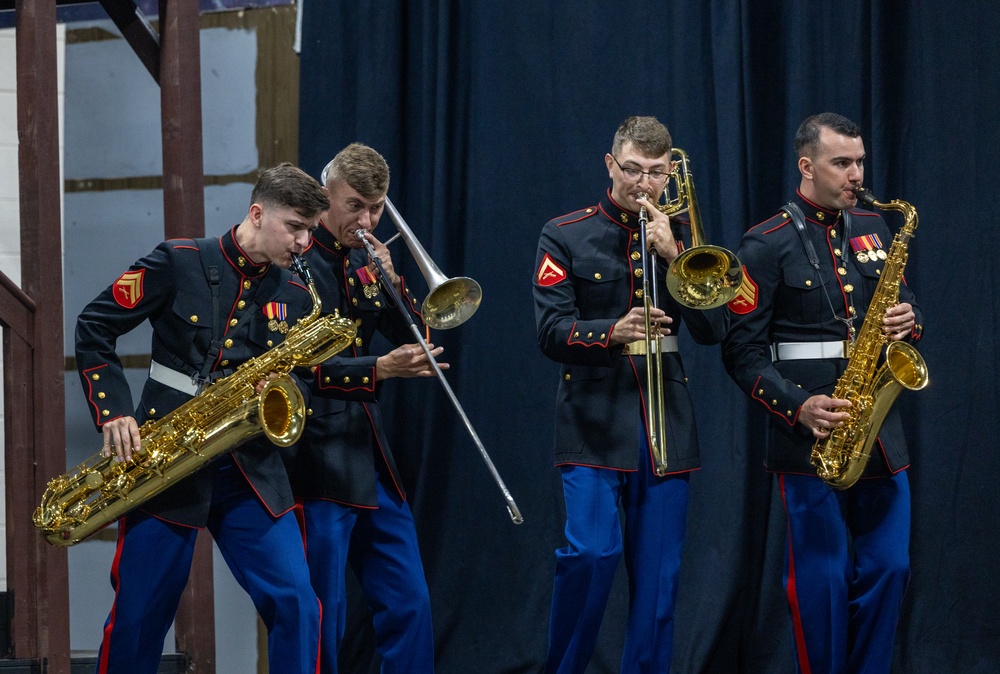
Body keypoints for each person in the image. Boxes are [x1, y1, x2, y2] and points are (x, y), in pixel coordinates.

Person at [75, 163, 329, 674]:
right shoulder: (178, 260)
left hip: (249, 469)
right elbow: (94, 325)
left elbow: (298, 378)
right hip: (167, 461)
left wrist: (277, 390)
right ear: (257, 213)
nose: (304, 242)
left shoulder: (298, 295)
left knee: (299, 604)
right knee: (140, 617)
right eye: (296, 227)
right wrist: (114, 411)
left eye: (311, 232)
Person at [722, 112, 924, 673]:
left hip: (880, 433)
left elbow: (904, 306)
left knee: (891, 568)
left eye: (859, 161)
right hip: (813, 435)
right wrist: (797, 407)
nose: (856, 174)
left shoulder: (876, 229)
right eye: (842, 163)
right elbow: (741, 353)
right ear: (807, 166)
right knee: (822, 578)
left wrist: (912, 320)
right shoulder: (764, 244)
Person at [532, 116, 728, 673]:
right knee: (590, 555)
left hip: (666, 420)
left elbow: (715, 332)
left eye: (656, 173)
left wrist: (673, 255)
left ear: (670, 174)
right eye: (633, 170)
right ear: (610, 165)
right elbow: (550, 332)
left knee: (659, 584)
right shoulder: (565, 233)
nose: (643, 184)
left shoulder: (684, 239)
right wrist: (608, 333)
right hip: (593, 419)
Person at [288, 142, 439, 673]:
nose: (367, 219)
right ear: (324, 192)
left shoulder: (368, 261)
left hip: (367, 452)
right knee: (322, 609)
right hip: (313, 455)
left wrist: (395, 280)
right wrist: (378, 369)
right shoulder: (294, 260)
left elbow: (421, 341)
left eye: (376, 207)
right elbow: (296, 373)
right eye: (355, 204)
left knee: (410, 602)